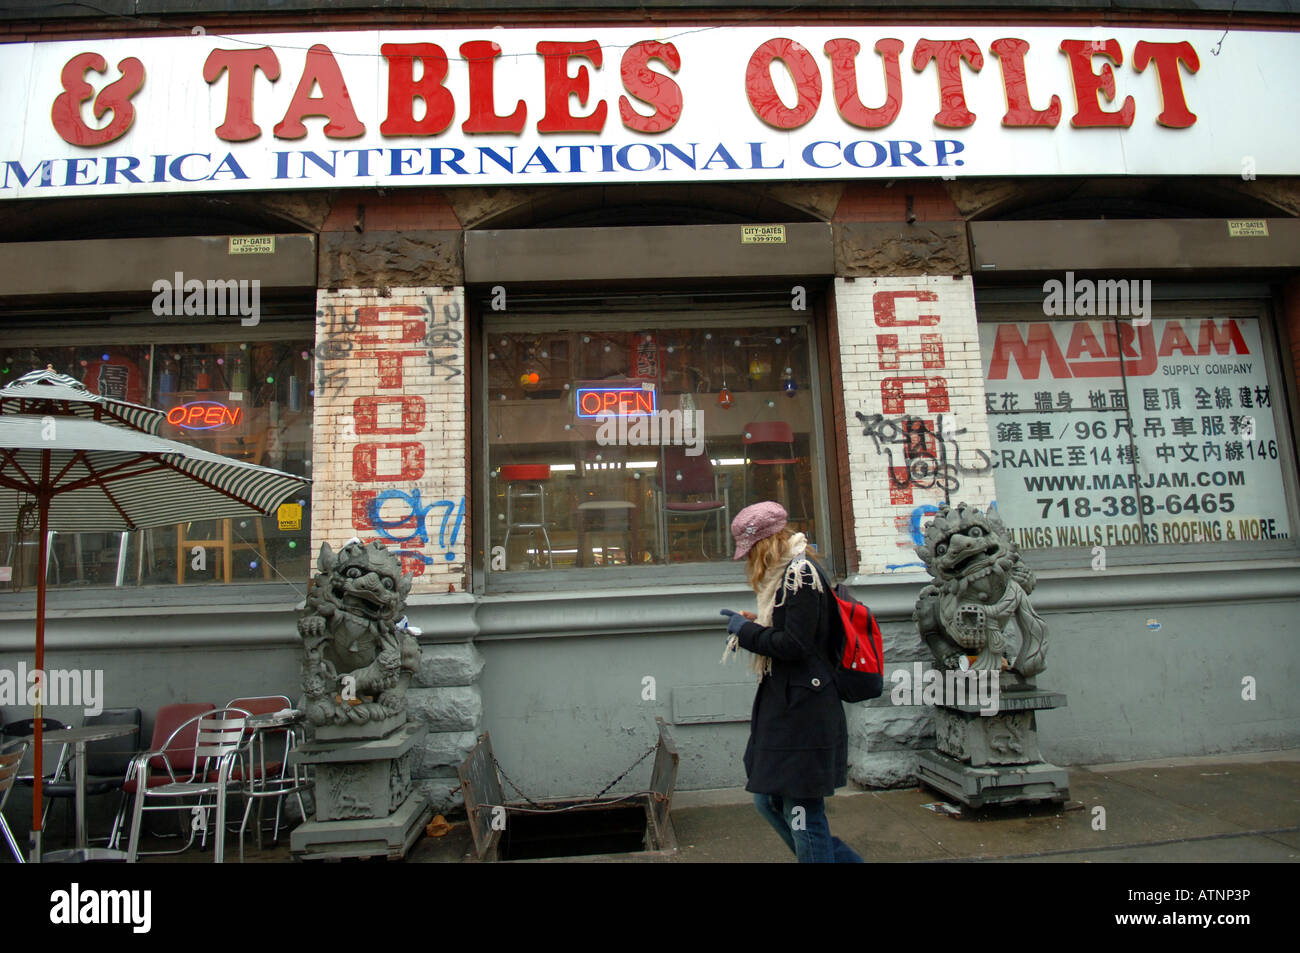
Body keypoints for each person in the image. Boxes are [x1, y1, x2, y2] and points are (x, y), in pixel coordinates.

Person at [721, 501, 863, 863]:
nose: (749, 561)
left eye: (749, 551)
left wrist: (748, 631)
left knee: (803, 814)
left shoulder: (800, 576)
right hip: (790, 707)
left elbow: (796, 645)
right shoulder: (787, 575)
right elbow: (797, 632)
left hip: (804, 712)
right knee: (769, 801)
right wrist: (757, 625)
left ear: (763, 544)